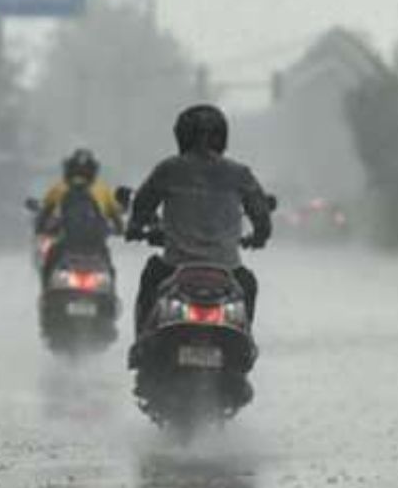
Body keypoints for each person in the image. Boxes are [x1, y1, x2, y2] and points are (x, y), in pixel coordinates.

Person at [126, 104, 272, 361]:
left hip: (174, 267)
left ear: (182, 135)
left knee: (150, 279)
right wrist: (259, 236)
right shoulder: (239, 173)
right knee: (248, 284)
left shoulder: (169, 169)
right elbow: (261, 216)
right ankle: (244, 351)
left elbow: (141, 205)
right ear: (222, 136)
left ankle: (141, 348)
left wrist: (136, 228)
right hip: (227, 269)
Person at [36, 148, 123, 278]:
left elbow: (45, 213)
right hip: (96, 244)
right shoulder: (103, 189)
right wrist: (119, 229)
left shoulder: (59, 188)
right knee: (109, 269)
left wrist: (42, 228)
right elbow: (116, 217)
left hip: (67, 243)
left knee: (50, 262)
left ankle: (46, 293)